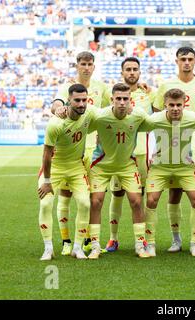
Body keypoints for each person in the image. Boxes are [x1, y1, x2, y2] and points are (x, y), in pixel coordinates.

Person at [50, 51, 113, 255]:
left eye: (90, 64)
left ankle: (87, 240)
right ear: (77, 65)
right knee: (66, 194)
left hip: (93, 149)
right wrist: (58, 108)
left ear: (94, 67)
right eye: (83, 64)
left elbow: (112, 106)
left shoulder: (101, 87)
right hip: (71, 150)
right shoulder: (67, 86)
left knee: (91, 197)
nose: (86, 67)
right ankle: (66, 240)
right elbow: (57, 104)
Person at [153, 47, 195, 253]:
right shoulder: (166, 85)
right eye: (183, 59)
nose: (186, 62)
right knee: (174, 193)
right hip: (169, 147)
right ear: (176, 61)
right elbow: (157, 114)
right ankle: (176, 240)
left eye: (190, 59)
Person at [87, 83, 149, 259]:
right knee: (96, 202)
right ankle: (95, 246)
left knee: (136, 201)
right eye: (118, 99)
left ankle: (140, 244)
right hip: (101, 164)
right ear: (111, 99)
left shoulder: (137, 115)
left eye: (125, 99)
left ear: (130, 100)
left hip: (127, 164)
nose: (122, 103)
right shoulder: (100, 116)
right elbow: (82, 123)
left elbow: (154, 122)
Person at [38, 84, 97, 260]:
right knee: (45, 204)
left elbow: (108, 114)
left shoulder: (90, 113)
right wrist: (47, 181)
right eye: (77, 100)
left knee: (85, 204)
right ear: (69, 101)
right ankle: (48, 248)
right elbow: (46, 155)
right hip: (55, 168)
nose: (81, 104)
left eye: (84, 100)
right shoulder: (56, 123)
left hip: (76, 167)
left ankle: (77, 248)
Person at [142, 88, 195, 257]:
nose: (175, 108)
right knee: (151, 200)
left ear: (184, 104)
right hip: (160, 167)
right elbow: (135, 125)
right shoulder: (154, 119)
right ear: (165, 105)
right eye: (172, 105)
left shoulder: (194, 118)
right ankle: (151, 243)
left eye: (179, 105)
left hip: (184, 167)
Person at [104, 57, 156, 253]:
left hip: (142, 153)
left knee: (139, 198)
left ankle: (141, 240)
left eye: (135, 69)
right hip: (119, 154)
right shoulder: (114, 94)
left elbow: (156, 118)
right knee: (116, 195)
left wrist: (152, 91)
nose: (132, 72)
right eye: (128, 69)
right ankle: (113, 238)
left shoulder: (147, 95)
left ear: (140, 72)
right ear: (122, 72)